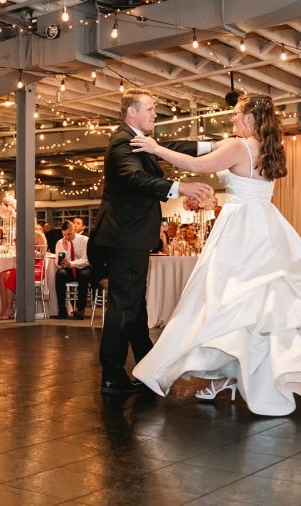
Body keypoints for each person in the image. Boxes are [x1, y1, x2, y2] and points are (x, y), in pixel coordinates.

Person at [131, 94, 301, 415]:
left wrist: (154, 148)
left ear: (249, 119)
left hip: (241, 225)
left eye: (235, 115)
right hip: (267, 224)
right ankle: (240, 376)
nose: (231, 120)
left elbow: (195, 165)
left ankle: (242, 375)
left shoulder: (238, 146)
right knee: (259, 302)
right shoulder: (270, 149)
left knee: (228, 300)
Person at [89, 88, 215, 395]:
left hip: (129, 236)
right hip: (125, 236)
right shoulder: (121, 142)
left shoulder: (135, 139)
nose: (155, 113)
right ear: (131, 112)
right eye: (150, 108)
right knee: (124, 304)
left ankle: (147, 365)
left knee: (134, 303)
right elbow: (136, 178)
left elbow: (169, 146)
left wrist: (215, 145)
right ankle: (112, 375)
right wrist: (181, 187)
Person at [0, 224, 48, 320]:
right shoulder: (21, 236)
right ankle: (4, 308)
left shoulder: (40, 236)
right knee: (2, 275)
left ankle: (9, 308)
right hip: (23, 267)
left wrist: (31, 250)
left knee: (12, 275)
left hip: (35, 268)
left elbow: (42, 255)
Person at [53, 221, 92, 320]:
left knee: (84, 275)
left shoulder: (84, 240)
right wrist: (65, 249)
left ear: (74, 230)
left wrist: (72, 263)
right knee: (60, 274)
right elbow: (58, 262)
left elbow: (86, 260)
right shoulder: (60, 242)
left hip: (82, 267)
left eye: (69, 234)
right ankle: (62, 309)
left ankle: (81, 309)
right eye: (64, 234)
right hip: (69, 269)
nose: (66, 236)